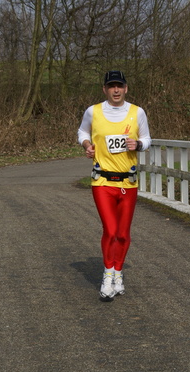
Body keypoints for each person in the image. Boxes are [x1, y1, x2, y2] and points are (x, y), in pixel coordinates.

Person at [77, 70, 152, 301]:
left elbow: (148, 140)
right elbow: (82, 132)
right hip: (102, 180)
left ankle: (118, 273)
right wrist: (87, 145)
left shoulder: (137, 112)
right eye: (111, 86)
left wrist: (138, 144)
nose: (116, 90)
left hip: (128, 182)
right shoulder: (93, 111)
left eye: (119, 86)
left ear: (126, 88)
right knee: (110, 230)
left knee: (123, 233)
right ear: (105, 90)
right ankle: (107, 273)